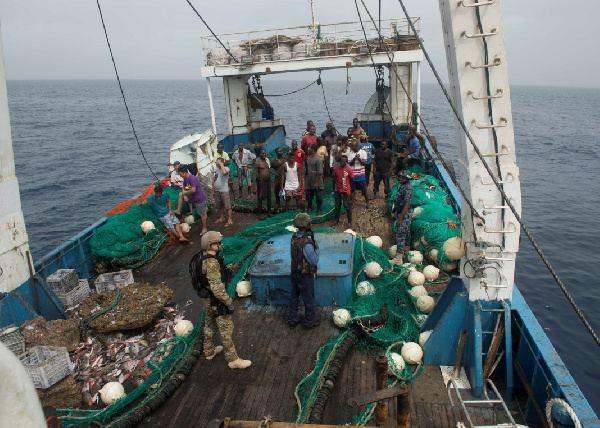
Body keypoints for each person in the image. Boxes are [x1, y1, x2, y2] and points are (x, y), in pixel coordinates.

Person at [192, 231, 251, 369]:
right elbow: (217, 289)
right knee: (226, 329)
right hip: (216, 300)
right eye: (217, 243)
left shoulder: (201, 257)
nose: (220, 245)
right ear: (211, 245)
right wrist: (228, 301)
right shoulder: (212, 263)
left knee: (209, 324)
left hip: (207, 298)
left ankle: (209, 350)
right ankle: (233, 360)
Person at [289, 213, 320, 330]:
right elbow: (314, 261)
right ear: (307, 225)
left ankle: (293, 319)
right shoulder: (307, 243)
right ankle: (309, 322)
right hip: (305, 274)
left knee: (294, 296)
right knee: (308, 299)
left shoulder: (294, 237)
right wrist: (316, 249)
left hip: (294, 271)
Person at [175, 166, 208, 235]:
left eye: (181, 175)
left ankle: (204, 228)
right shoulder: (185, 179)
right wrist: (184, 195)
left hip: (199, 199)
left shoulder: (192, 178)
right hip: (193, 197)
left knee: (202, 214)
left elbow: (193, 190)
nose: (181, 176)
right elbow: (183, 187)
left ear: (185, 173)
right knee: (181, 194)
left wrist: (186, 193)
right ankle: (178, 210)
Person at [392, 170, 414, 264]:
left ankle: (398, 258)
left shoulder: (408, 189)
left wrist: (400, 219)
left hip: (404, 215)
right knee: (407, 232)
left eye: (403, 178)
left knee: (400, 235)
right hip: (401, 212)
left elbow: (407, 204)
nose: (400, 179)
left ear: (407, 179)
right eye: (400, 177)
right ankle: (406, 251)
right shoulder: (403, 186)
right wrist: (395, 209)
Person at [348, 141, 371, 209]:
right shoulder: (350, 153)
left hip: (361, 175)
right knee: (352, 190)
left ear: (357, 145)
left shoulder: (363, 152)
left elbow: (364, 164)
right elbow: (350, 164)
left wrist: (359, 159)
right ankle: (352, 203)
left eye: (353, 146)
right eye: (351, 146)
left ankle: (367, 203)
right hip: (353, 175)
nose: (352, 147)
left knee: (364, 190)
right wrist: (354, 159)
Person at [332, 154, 354, 227]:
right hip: (337, 189)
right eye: (341, 161)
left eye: (344, 162)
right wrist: (334, 189)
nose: (342, 163)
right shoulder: (336, 169)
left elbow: (351, 180)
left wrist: (350, 190)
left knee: (347, 206)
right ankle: (336, 219)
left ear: (346, 162)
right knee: (337, 205)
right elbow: (334, 179)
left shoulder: (349, 169)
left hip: (346, 190)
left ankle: (349, 222)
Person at [213, 158, 233, 227]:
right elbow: (214, 180)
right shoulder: (216, 170)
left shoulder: (226, 168)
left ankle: (230, 219)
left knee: (227, 206)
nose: (216, 164)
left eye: (218, 162)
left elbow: (224, 173)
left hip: (224, 190)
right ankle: (222, 217)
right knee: (220, 205)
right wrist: (213, 190)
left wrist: (221, 164)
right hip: (217, 190)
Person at [305, 145, 324, 216]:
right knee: (309, 195)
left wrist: (316, 183)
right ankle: (309, 208)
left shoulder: (318, 160)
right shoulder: (308, 159)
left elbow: (320, 173)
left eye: (309, 148)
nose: (308, 149)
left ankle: (319, 210)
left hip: (317, 180)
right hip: (309, 180)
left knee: (319, 196)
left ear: (313, 150)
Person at [253, 148, 272, 220]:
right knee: (260, 198)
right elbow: (254, 175)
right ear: (260, 154)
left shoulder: (267, 161)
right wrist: (254, 187)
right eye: (262, 153)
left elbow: (268, 171)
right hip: (261, 182)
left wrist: (271, 181)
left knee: (269, 198)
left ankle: (268, 212)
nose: (263, 154)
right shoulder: (258, 163)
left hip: (268, 182)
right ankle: (259, 215)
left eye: (264, 153)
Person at [270, 147, 285, 211]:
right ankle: (278, 204)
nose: (280, 152)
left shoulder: (285, 159)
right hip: (278, 179)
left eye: (281, 151)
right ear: (276, 152)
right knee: (277, 192)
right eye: (279, 151)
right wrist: (274, 173)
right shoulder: (274, 161)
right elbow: (268, 167)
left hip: (285, 179)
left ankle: (285, 205)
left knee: (286, 193)